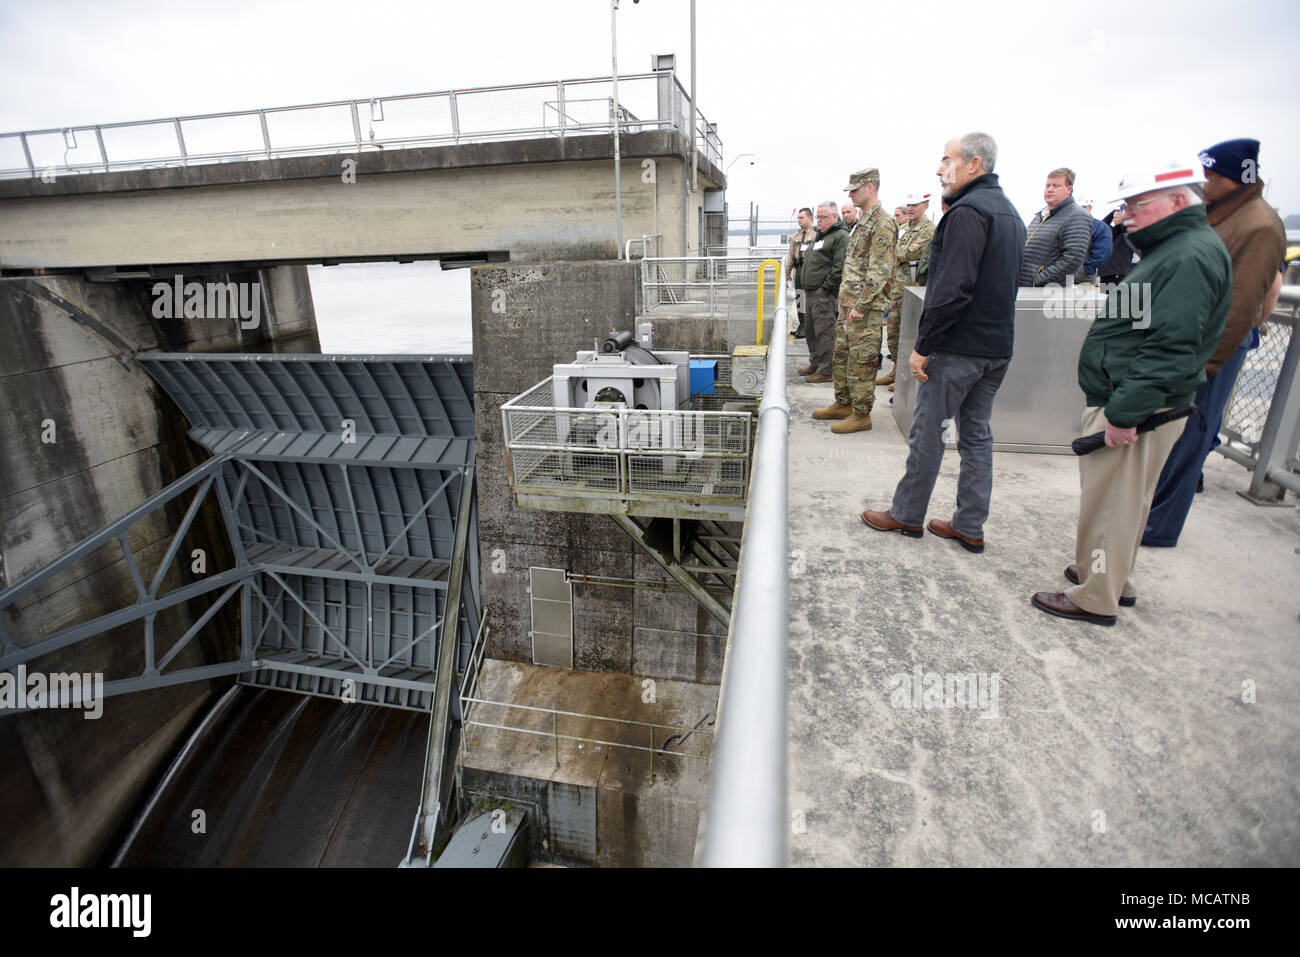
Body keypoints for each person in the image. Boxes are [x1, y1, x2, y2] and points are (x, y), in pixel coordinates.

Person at [1032, 160, 1231, 625]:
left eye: (1139, 204)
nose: (1129, 215)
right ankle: (1111, 576)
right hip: (1139, 399)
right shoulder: (1179, 248)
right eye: (1126, 206)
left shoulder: (1186, 256)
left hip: (1139, 405)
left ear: (1179, 201)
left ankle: (1096, 595)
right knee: (1125, 500)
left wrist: (1124, 413)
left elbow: (1171, 346)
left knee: (1111, 502)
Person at [860, 133, 1024, 546]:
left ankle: (907, 514)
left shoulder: (968, 213)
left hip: (958, 349)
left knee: (928, 432)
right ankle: (969, 526)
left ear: (974, 165)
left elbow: (952, 290)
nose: (939, 168)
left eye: (946, 160)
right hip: (996, 348)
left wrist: (923, 346)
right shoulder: (1009, 212)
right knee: (976, 436)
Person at [1142, 138, 1287, 547]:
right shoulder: (1223, 213)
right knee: (1172, 435)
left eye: (1211, 174)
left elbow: (1244, 305)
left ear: (1236, 177)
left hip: (1210, 351)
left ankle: (1158, 527)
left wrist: (1206, 364)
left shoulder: (1259, 224)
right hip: (1190, 342)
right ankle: (1148, 515)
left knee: (1192, 436)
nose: (1202, 181)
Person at [814, 168, 896, 433]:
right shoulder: (863, 222)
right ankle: (844, 403)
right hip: (848, 305)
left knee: (861, 361)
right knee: (843, 358)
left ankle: (862, 414)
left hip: (865, 310)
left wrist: (861, 305)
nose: (850, 194)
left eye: (855, 189)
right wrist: (845, 301)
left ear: (870, 188)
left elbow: (879, 270)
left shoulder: (882, 223)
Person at [879, 191, 937, 388]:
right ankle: (896, 370)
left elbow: (908, 252)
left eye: (915, 205)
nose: (910, 208)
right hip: (895, 289)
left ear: (925, 205)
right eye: (908, 205)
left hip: (912, 291)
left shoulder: (928, 230)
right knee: (894, 333)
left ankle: (906, 377)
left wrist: (889, 251)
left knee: (909, 335)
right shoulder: (904, 228)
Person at [796, 202, 848, 383]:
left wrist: (826, 288)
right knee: (810, 331)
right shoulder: (820, 235)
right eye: (818, 217)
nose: (820, 220)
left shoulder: (840, 236)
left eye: (824, 217)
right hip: (810, 292)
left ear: (835, 217)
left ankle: (826, 370)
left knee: (824, 332)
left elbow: (839, 266)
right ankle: (815, 363)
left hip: (822, 293)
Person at [1020, 167, 1093, 287]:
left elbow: (1072, 258)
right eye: (1047, 185)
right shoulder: (1040, 215)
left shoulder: (1077, 216)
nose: (1049, 189)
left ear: (1069, 189)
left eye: (1056, 186)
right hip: (1024, 287)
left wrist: (1037, 280)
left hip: (1045, 292)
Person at [786, 207, 817, 338]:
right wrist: (787, 272)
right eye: (798, 218)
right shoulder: (796, 236)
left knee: (810, 298)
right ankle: (802, 324)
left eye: (801, 217)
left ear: (809, 218)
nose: (799, 220)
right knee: (800, 298)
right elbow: (791, 255)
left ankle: (810, 327)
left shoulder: (817, 235)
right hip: (799, 269)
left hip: (811, 270)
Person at [1072, 198, 1113, 285]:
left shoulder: (1099, 227)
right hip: (1061, 277)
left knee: (1083, 298)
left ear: (1090, 208)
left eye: (1083, 207)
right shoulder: (1066, 224)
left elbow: (1104, 250)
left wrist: (1087, 268)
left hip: (1083, 279)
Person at [1098, 207, 1135, 285]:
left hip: (1117, 272)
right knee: (1105, 296)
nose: (1114, 219)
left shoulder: (1127, 232)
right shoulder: (1110, 231)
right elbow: (1101, 225)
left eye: (1116, 217)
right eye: (1114, 218)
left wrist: (1122, 213)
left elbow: (1124, 226)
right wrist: (1113, 212)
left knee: (1116, 295)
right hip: (1105, 271)